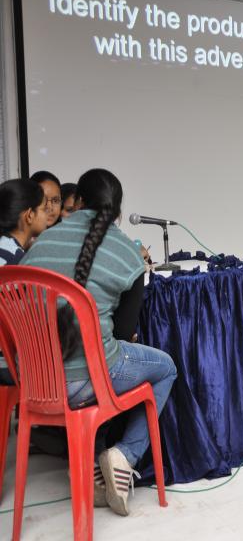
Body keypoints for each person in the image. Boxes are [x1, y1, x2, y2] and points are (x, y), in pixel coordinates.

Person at [21, 168, 177, 516]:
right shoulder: (126, 253)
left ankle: (91, 465)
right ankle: (124, 455)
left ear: (77, 201)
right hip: (88, 382)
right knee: (163, 368)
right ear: (118, 211)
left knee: (102, 362)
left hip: (35, 382)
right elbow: (122, 334)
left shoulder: (42, 242)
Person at [0, 178, 49, 385]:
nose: (48, 214)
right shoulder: (20, 263)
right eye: (44, 209)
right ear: (29, 215)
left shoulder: (6, 249)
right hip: (7, 364)